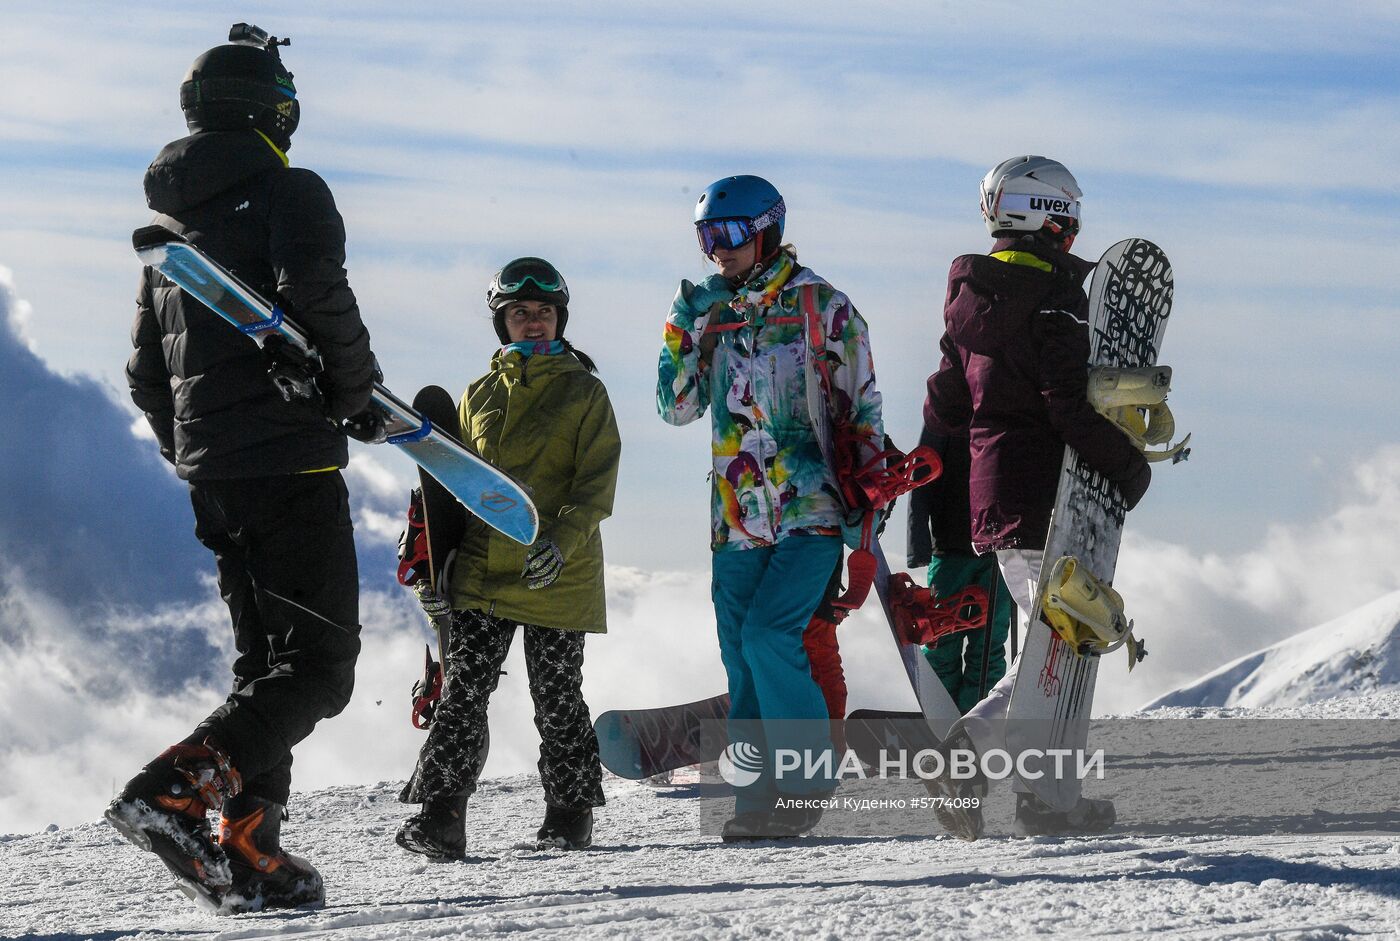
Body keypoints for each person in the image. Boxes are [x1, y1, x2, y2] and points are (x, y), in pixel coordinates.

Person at [111, 25, 381, 912]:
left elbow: (146, 375)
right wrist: (353, 392)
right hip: (290, 463)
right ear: (275, 111)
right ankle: (173, 792)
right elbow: (320, 296)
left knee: (267, 661)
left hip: (216, 475)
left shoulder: (172, 233)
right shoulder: (290, 191)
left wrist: (198, 450)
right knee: (321, 666)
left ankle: (250, 844)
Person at [919, 155, 1151, 840]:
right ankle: (966, 755)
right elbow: (1066, 406)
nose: (1074, 232)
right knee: (1054, 655)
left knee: (1056, 650)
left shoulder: (968, 301)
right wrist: (1129, 469)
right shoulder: (1055, 300)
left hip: (994, 498)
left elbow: (946, 404)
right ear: (1049, 217)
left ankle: (1045, 800)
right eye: (1070, 218)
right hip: (1053, 498)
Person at [658, 175, 885, 840]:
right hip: (734, 518)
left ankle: (806, 782)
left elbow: (863, 409)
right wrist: (683, 325)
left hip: (809, 508)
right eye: (706, 237)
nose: (717, 250)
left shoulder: (822, 306)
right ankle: (756, 799)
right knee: (740, 655)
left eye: (729, 234)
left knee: (769, 637)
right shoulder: (713, 314)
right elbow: (676, 408)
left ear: (768, 231)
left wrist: (867, 518)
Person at [396, 257, 620, 860]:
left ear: (560, 318)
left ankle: (569, 816)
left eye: (544, 311)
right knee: (462, 692)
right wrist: (431, 557)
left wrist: (559, 543)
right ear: (503, 322)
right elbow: (454, 486)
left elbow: (595, 489)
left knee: (556, 695)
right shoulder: (477, 394)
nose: (534, 321)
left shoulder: (585, 392)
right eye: (520, 312)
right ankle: (441, 818)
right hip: (484, 569)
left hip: (559, 573)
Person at [907, 433, 1015, 715]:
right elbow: (922, 472)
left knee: (987, 646)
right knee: (943, 640)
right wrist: (918, 544)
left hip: (995, 548)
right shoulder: (948, 411)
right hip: (955, 547)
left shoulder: (1007, 411)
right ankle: (943, 718)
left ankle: (976, 722)